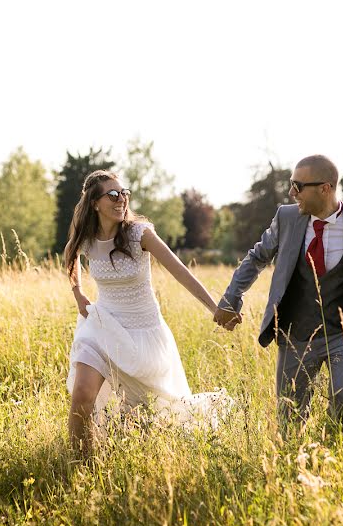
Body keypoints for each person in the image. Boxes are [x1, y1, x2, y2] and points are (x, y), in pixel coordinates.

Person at [213, 154, 343, 430]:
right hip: (295, 335)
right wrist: (231, 298)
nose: (291, 192)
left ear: (325, 188)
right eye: (291, 184)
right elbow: (256, 257)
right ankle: (297, 463)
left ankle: (331, 447)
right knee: (291, 419)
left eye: (298, 186)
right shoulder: (286, 218)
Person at [64, 170, 230, 455]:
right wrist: (78, 293)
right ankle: (79, 468)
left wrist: (215, 308)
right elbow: (70, 256)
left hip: (143, 333)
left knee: (150, 414)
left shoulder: (140, 234)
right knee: (82, 396)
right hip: (102, 327)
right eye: (113, 194)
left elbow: (181, 271)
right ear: (95, 203)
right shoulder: (87, 237)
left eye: (124, 193)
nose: (121, 199)